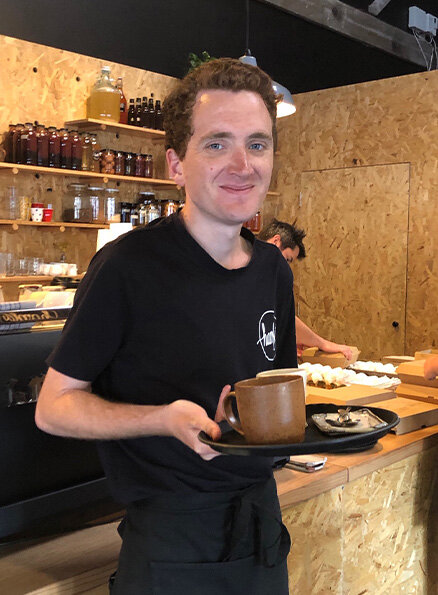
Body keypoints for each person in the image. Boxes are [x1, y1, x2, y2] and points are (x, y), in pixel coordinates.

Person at [35, 58, 296, 594]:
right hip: (173, 543)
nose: (243, 164)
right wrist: (163, 419)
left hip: (263, 530)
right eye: (217, 143)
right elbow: (54, 407)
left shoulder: (272, 269)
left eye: (258, 143)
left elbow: (271, 390)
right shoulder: (127, 267)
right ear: (177, 165)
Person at [259, 218, 353, 360]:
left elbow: (279, 317)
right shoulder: (255, 274)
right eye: (287, 260)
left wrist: (287, 338)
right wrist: (323, 344)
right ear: (275, 242)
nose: (285, 268)